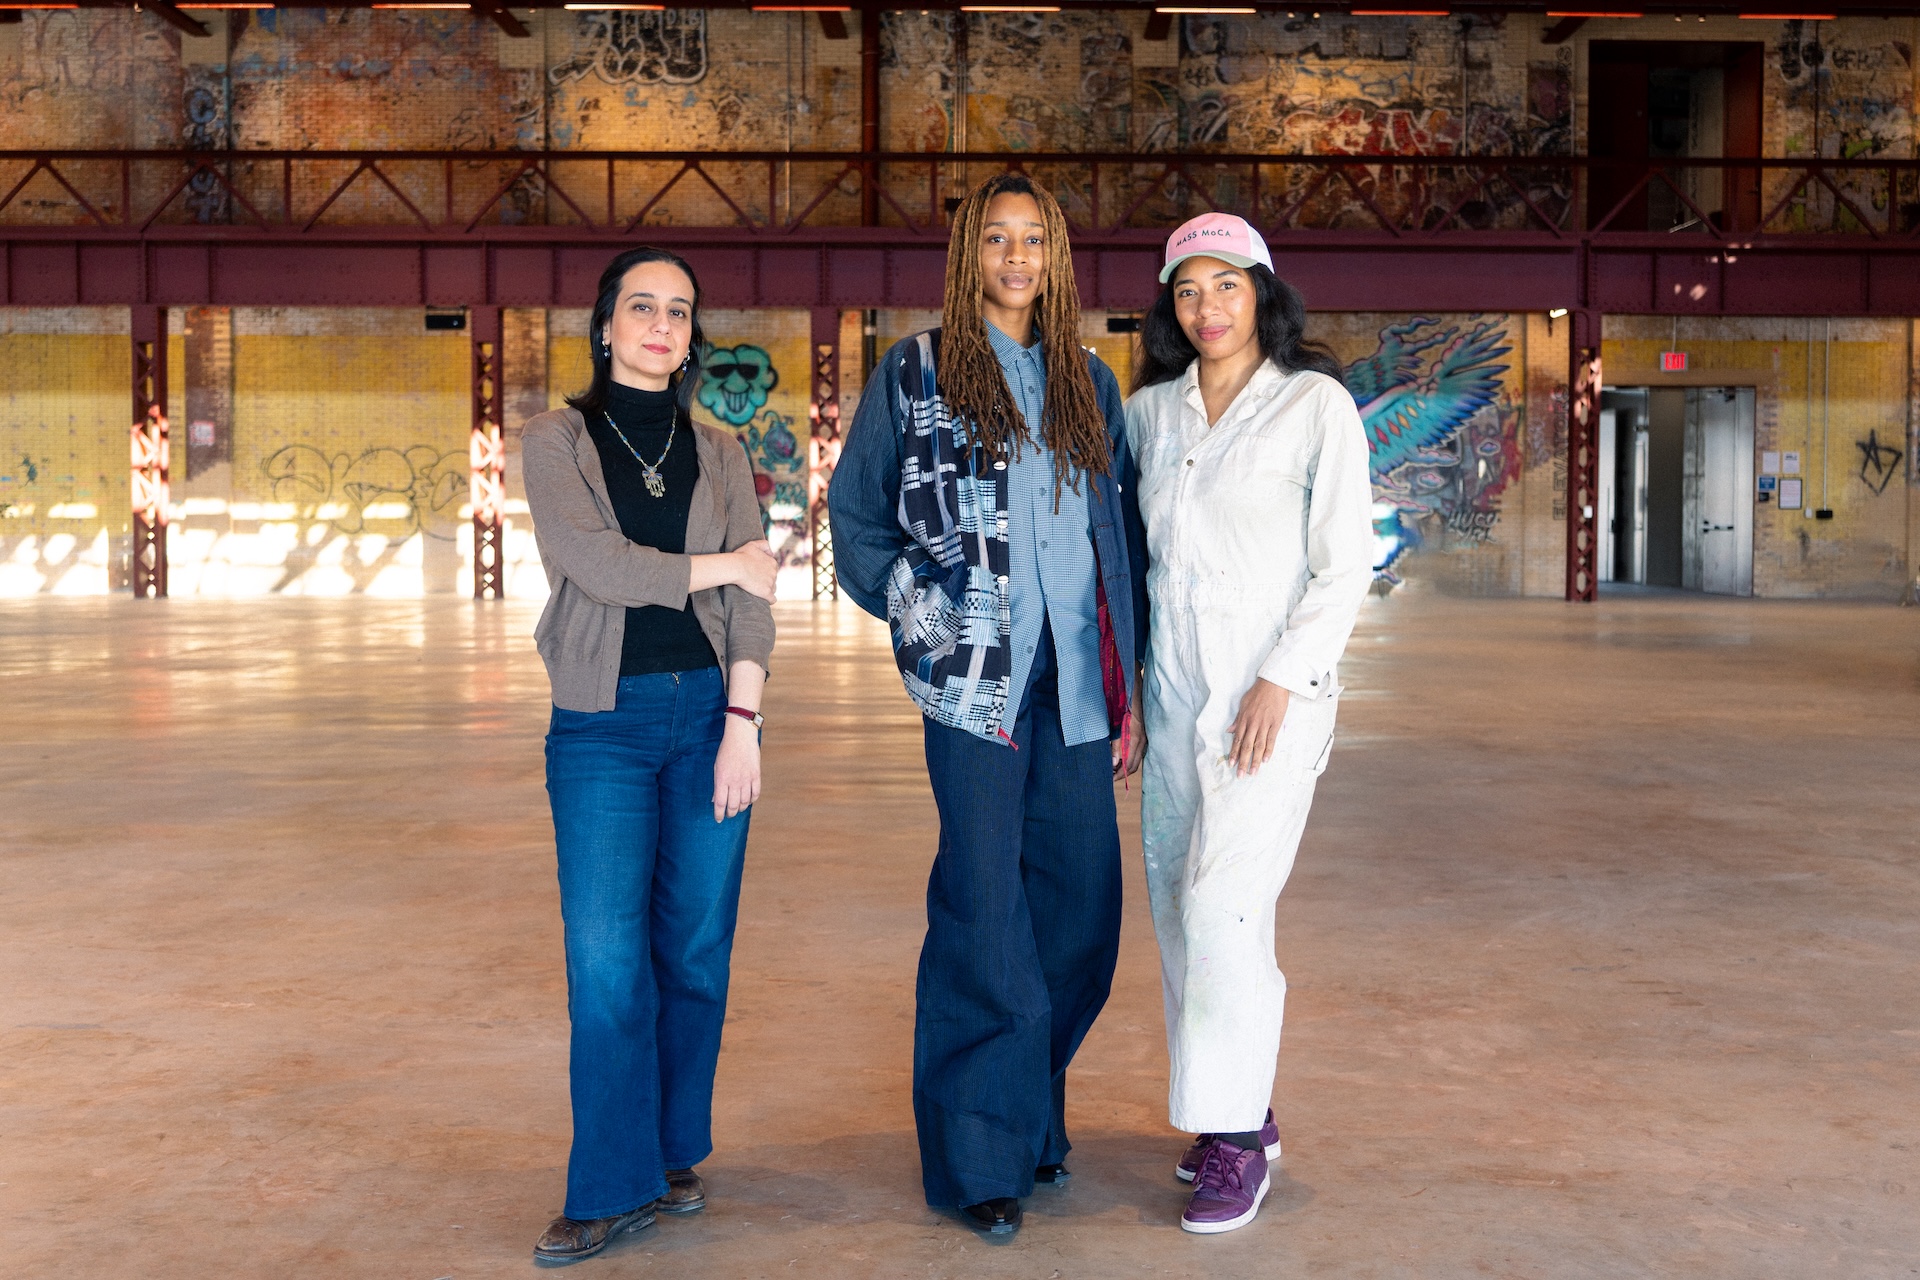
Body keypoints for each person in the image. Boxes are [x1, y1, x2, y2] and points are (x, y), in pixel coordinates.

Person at [827, 173, 1146, 1238]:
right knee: (984, 905)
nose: (1017, 257)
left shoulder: (1090, 381)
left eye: (1034, 239)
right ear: (970, 256)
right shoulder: (915, 370)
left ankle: (1025, 1106)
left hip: (1077, 677)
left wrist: (1128, 684)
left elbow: (1119, 540)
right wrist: (921, 616)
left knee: (1082, 905)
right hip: (976, 680)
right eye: (997, 239)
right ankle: (983, 1156)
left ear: (1056, 258)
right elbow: (857, 515)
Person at [520, 245, 779, 1265]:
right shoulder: (557, 438)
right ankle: (608, 1184)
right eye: (642, 306)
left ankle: (671, 1154)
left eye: (679, 310)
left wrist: (743, 722)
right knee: (606, 958)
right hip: (603, 724)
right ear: (606, 326)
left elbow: (755, 604)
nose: (662, 324)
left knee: (696, 952)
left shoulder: (720, 449)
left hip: (712, 715)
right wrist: (726, 561)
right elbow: (595, 564)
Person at [1124, 213, 1373, 1235]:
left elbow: (1345, 562)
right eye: (1188, 290)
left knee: (1225, 906)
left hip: (1269, 700)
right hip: (1173, 694)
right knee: (1179, 906)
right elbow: (1130, 561)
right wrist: (1131, 697)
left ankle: (1232, 1138)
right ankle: (1237, 1105)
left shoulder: (1314, 405)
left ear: (1263, 293)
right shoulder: (1151, 413)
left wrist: (1282, 678)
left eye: (1227, 284)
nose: (1207, 307)